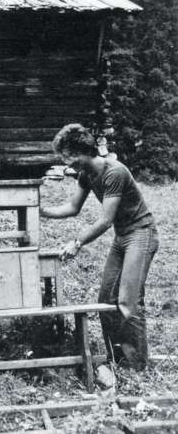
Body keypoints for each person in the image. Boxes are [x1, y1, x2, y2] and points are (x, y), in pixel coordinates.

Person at [40, 124, 158, 370]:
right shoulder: (86, 174)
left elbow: (105, 220)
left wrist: (77, 243)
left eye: (69, 155)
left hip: (141, 233)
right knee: (106, 300)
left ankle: (136, 367)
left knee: (128, 300)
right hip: (122, 236)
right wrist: (40, 210)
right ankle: (117, 360)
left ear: (84, 150)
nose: (66, 161)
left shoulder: (114, 172)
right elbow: (72, 208)